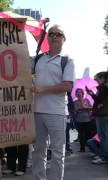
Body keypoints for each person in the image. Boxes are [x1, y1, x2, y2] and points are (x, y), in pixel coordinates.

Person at [32, 24, 75, 180]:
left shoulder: (67, 60)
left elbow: (67, 86)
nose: (54, 36)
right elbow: (19, 68)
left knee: (57, 153)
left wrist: (41, 89)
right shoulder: (38, 58)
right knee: (38, 151)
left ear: (64, 39)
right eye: (51, 34)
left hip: (57, 112)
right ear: (47, 38)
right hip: (37, 111)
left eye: (58, 34)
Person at [86, 71, 108, 165]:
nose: (96, 80)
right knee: (102, 136)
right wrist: (92, 94)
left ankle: (103, 157)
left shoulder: (104, 87)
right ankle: (102, 155)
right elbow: (100, 100)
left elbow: (98, 100)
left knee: (103, 136)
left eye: (98, 78)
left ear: (102, 78)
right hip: (105, 114)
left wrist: (92, 94)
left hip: (103, 114)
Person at [74, 88, 92, 152]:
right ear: (76, 94)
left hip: (88, 120)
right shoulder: (75, 102)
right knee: (81, 135)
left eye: (80, 92)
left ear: (82, 93)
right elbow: (75, 111)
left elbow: (91, 107)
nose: (79, 93)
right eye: (77, 92)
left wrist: (85, 107)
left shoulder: (86, 100)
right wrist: (79, 108)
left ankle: (90, 148)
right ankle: (82, 148)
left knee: (88, 134)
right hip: (79, 120)